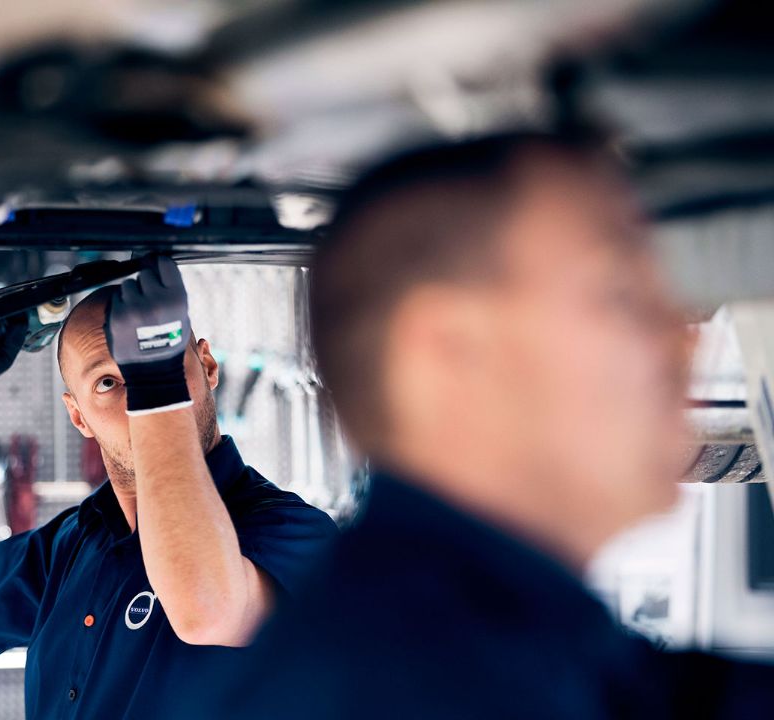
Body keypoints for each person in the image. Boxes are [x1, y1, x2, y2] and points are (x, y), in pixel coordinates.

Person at [177, 134, 774, 719]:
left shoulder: (491, 653)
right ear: (449, 355)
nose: (684, 340)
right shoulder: (424, 684)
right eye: (620, 295)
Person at [0, 256, 338, 719]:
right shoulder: (74, 545)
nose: (138, 394)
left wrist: (158, 386)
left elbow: (206, 608)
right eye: (108, 382)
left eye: (158, 362)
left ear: (206, 364)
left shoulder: (293, 533)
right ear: (78, 416)